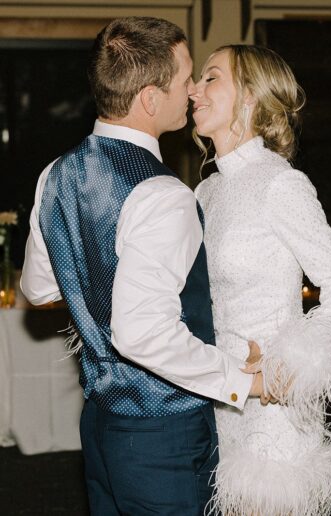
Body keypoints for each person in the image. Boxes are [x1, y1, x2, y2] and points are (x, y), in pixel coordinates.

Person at [20, 19, 265, 516]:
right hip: (163, 436)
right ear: (151, 99)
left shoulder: (55, 173)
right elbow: (140, 332)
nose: (193, 89)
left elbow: (39, 288)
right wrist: (247, 383)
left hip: (101, 423)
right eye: (185, 78)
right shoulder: (164, 196)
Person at [191, 44, 331, 516]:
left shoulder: (279, 183)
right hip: (221, 400)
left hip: (274, 410)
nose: (193, 90)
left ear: (248, 98)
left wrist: (290, 367)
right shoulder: (205, 190)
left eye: (210, 78)